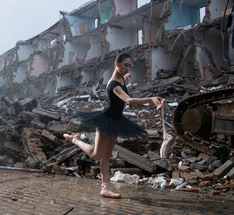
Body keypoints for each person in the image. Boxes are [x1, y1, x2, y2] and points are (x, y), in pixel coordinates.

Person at [63, 52, 165, 198]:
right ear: (117, 64)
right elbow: (128, 100)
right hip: (106, 120)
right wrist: (151, 99)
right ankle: (75, 139)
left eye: (129, 66)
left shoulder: (121, 78)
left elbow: (123, 78)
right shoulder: (114, 85)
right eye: (125, 65)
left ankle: (105, 188)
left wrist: (126, 78)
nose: (127, 69)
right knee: (96, 155)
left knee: (107, 155)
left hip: (117, 121)